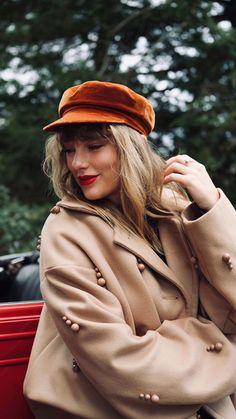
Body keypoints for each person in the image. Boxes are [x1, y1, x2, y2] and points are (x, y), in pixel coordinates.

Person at [23, 80, 236, 419]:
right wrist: (222, 354)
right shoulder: (65, 230)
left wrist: (211, 209)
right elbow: (119, 361)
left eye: (94, 146)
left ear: (131, 147)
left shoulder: (178, 211)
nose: (77, 163)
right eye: (69, 150)